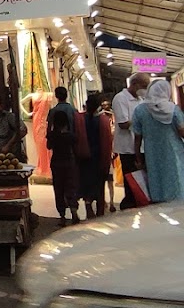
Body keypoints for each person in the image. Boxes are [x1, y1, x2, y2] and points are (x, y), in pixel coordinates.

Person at [132, 79, 184, 204]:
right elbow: (182, 132)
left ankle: (159, 207)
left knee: (157, 182)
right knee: (177, 181)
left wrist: (139, 159)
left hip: (152, 155)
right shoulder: (173, 110)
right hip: (174, 153)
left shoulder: (139, 110)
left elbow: (137, 138)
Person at [112, 73, 151, 209]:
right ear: (134, 84)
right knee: (132, 183)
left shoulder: (141, 100)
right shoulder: (120, 99)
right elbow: (123, 123)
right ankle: (129, 207)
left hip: (142, 147)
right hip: (128, 148)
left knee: (143, 182)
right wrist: (142, 121)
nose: (145, 90)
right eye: (144, 86)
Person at [75, 91, 113, 219]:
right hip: (99, 157)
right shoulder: (103, 120)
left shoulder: (80, 120)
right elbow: (107, 141)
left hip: (85, 158)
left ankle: (88, 206)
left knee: (86, 184)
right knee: (99, 186)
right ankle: (100, 212)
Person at [46, 104, 80, 226]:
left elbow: (48, 146)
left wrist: (49, 127)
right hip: (69, 162)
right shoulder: (71, 136)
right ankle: (74, 212)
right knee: (71, 187)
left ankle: (62, 216)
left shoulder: (52, 135)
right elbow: (76, 144)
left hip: (56, 163)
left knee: (58, 189)